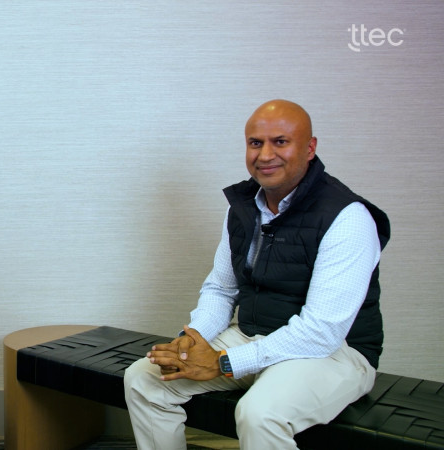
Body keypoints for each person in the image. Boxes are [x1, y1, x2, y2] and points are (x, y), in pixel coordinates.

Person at [124, 100, 391, 450]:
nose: (265, 155)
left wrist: (223, 362)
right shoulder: (244, 207)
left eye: (280, 142)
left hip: (335, 353)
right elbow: (221, 288)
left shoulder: (347, 217)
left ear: (309, 148)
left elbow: (322, 331)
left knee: (260, 413)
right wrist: (194, 338)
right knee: (144, 379)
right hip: (255, 337)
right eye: (255, 143)